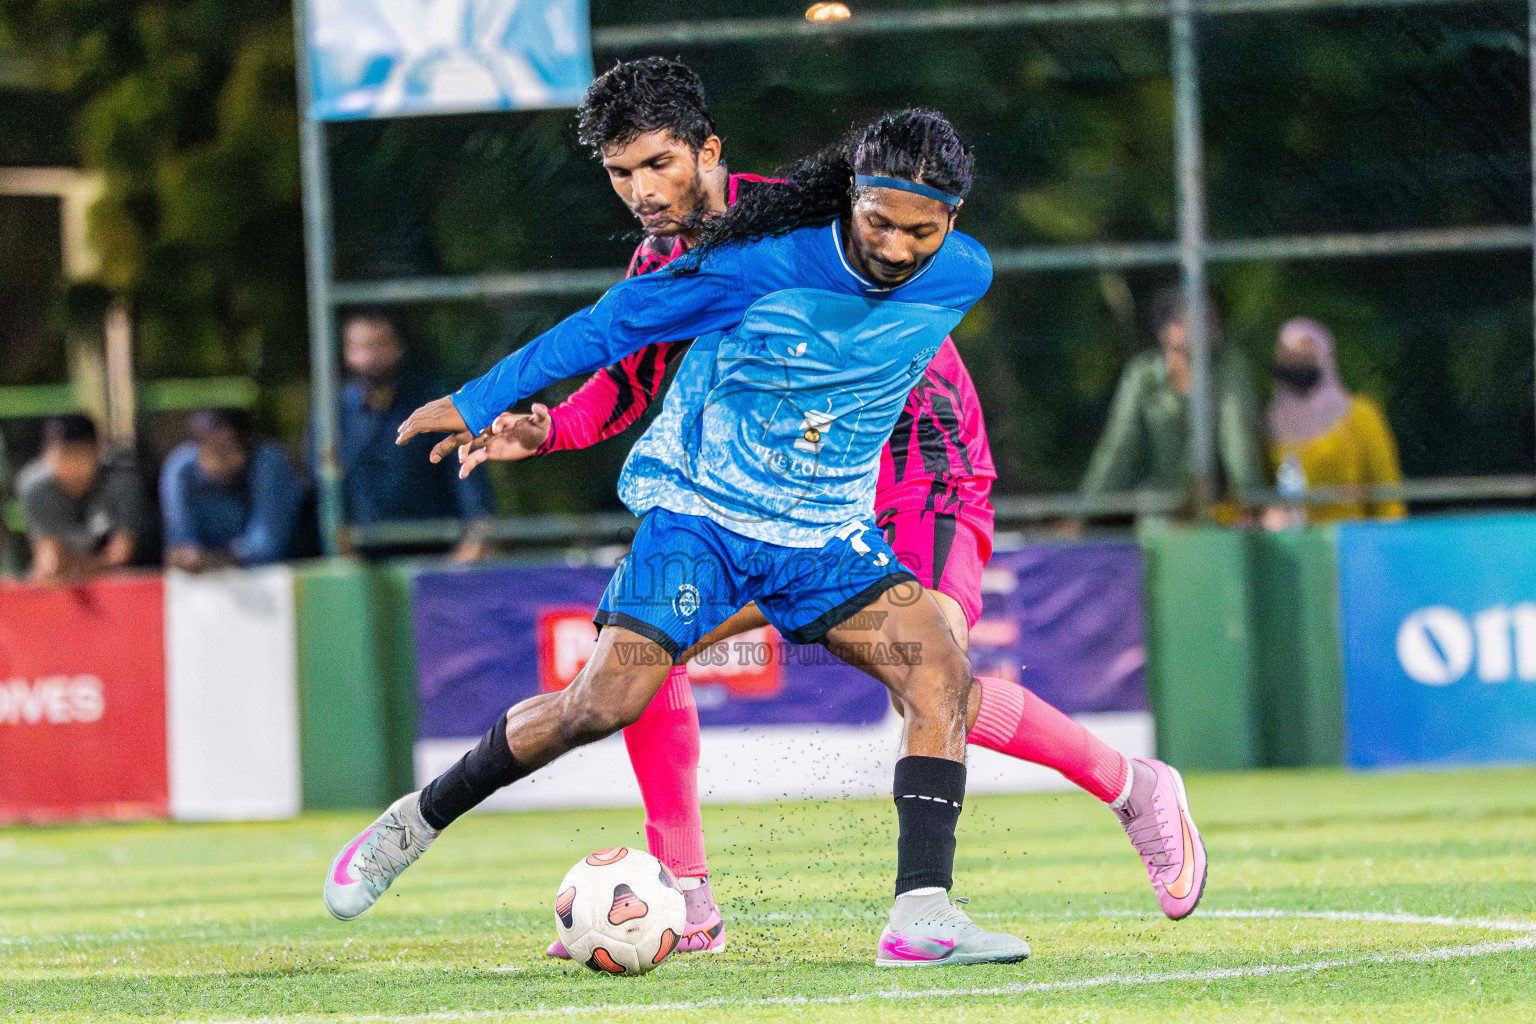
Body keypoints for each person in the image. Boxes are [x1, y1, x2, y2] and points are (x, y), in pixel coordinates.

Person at [449, 57, 1206, 958]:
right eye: (622, 173)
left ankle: (1131, 786)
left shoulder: (812, 217)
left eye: (659, 165)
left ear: (705, 151)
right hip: (776, 500)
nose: (643, 190)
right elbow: (631, 381)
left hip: (918, 466)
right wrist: (548, 430)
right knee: (644, 651)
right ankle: (689, 897)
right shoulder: (663, 256)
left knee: (934, 683)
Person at [325, 108, 1037, 968]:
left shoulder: (964, 274)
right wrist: (483, 402)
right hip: (701, 518)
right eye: (878, 221)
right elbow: (611, 328)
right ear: (851, 198)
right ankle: (416, 821)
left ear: (953, 223)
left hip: (822, 535)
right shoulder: (757, 262)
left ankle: (922, 915)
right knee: (601, 704)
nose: (894, 247)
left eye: (919, 231)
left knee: (943, 677)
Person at [317, 309, 494, 560]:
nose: (369, 358)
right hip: (362, 565)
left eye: (378, 345)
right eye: (358, 347)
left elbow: (468, 478)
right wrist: (342, 552)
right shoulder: (331, 414)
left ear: (398, 347)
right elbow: (322, 488)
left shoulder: (434, 404)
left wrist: (472, 543)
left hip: (438, 555)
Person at [1081, 287, 1267, 521]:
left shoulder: (1230, 367)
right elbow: (1119, 447)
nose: (1203, 326)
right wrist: (1082, 513)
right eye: (1187, 318)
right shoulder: (1143, 375)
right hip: (1159, 511)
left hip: (1219, 510)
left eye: (1209, 318)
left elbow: (1237, 439)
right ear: (1165, 330)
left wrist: (1252, 504)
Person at [1266, 317, 1406, 525]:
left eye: (1306, 355)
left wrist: (1392, 544)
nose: (1297, 363)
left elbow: (1389, 495)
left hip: (1352, 544)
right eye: (1290, 356)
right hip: (1297, 549)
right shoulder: (1270, 426)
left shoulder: (1359, 415)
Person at [159, 409, 309, 570]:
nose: (218, 457)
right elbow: (181, 543)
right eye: (209, 446)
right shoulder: (180, 468)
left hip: (288, 569)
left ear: (247, 446)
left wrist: (213, 558)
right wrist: (190, 557)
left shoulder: (268, 463)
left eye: (226, 446)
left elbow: (267, 546)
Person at [17, 414, 147, 583]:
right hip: (68, 585)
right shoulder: (35, 488)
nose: (71, 466)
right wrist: (53, 564)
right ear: (46, 455)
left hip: (126, 580)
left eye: (78, 454)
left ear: (97, 451)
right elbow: (47, 556)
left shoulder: (121, 480)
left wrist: (73, 567)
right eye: (63, 455)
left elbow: (122, 554)